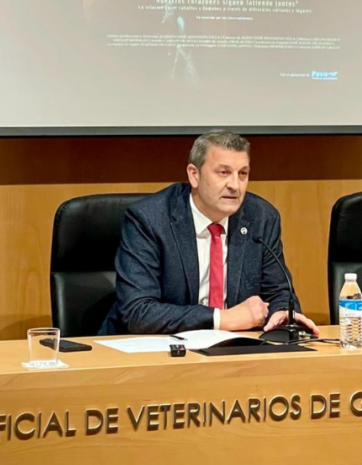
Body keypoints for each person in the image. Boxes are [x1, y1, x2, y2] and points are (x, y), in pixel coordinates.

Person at [102, 130, 318, 336]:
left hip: (235, 350)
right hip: (152, 352)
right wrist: (222, 319)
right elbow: (137, 311)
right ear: (194, 175)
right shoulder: (150, 219)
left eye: (243, 174)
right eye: (223, 173)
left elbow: (279, 291)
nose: (235, 185)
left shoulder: (260, 218)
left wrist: (281, 313)